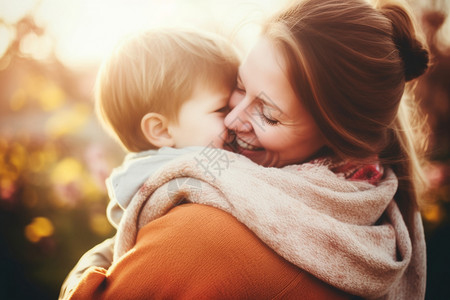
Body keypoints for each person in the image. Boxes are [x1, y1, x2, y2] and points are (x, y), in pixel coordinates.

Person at [65, 0, 430, 298]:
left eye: (268, 114)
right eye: (239, 86)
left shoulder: (201, 237)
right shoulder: (381, 216)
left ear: (339, 138)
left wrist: (85, 269)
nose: (232, 119)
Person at [59, 27, 240, 299]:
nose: (237, 118)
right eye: (222, 108)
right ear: (161, 130)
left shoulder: (192, 160)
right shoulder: (179, 181)